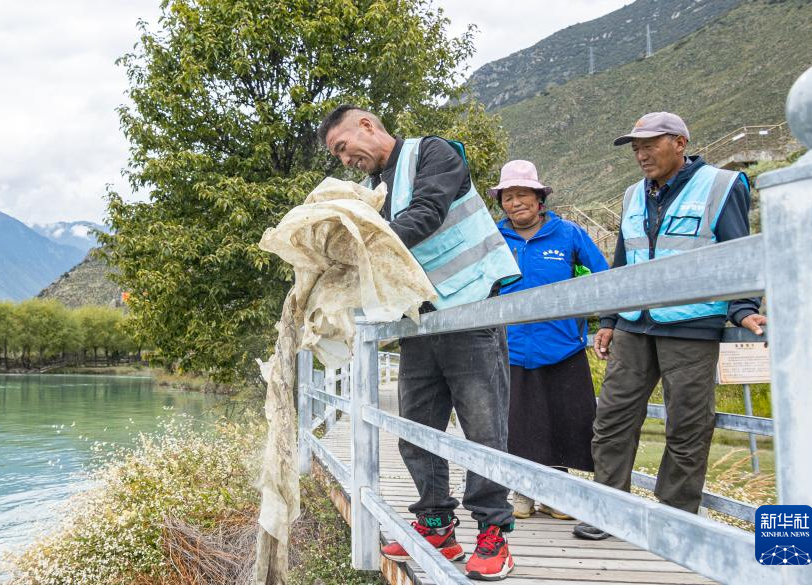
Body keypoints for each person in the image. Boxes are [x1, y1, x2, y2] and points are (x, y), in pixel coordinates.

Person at [318, 105, 522, 581]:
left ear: (367, 125)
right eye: (337, 156)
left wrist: (362, 248)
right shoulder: (371, 190)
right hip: (420, 319)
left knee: (483, 429)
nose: (345, 160)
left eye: (343, 147)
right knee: (415, 428)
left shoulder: (434, 154)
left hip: (470, 310)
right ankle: (436, 524)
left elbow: (427, 213)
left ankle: (493, 532)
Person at [573, 112, 768, 541]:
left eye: (649, 145)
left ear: (680, 143)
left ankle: (675, 520)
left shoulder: (720, 185)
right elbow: (623, 262)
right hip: (634, 326)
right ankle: (608, 509)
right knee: (611, 419)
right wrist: (610, 319)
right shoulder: (632, 195)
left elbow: (740, 253)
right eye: (636, 148)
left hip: (691, 325)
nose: (641, 155)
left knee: (687, 425)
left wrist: (743, 308)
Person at [490, 160, 609, 520]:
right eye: (508, 197)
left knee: (564, 421)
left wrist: (607, 321)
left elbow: (603, 277)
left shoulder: (569, 234)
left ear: (539, 198)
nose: (515, 203)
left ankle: (558, 493)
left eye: (522, 194)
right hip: (510, 349)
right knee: (519, 424)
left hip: (562, 346)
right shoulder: (494, 239)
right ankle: (523, 491)